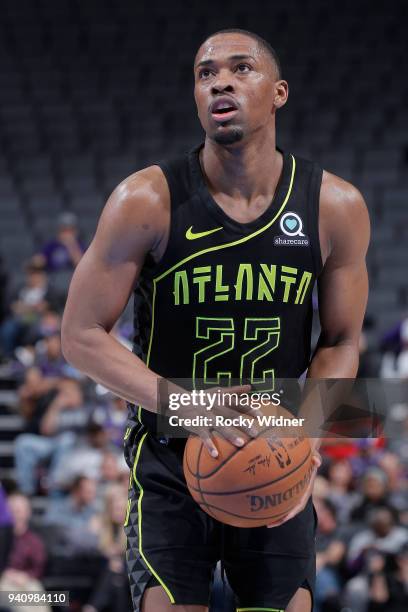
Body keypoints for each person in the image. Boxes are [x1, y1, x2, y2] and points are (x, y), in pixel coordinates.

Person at [62, 28, 370, 612]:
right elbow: (78, 336)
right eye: (206, 73)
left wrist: (310, 423)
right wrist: (186, 404)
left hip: (273, 453)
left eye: (240, 68)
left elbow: (343, 339)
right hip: (171, 459)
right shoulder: (144, 200)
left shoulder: (336, 206)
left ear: (278, 92)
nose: (220, 81)